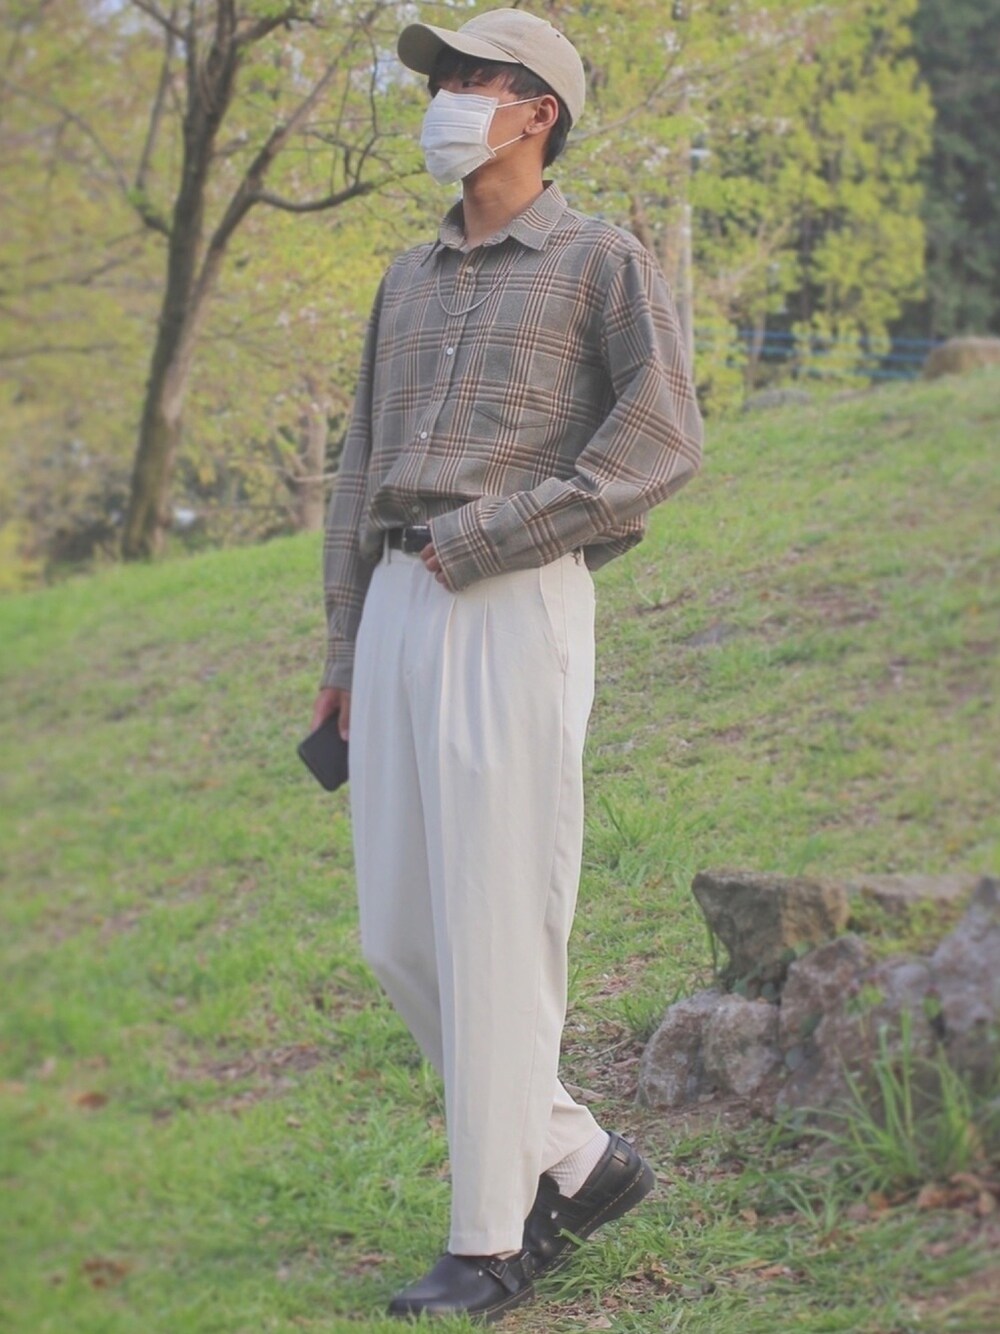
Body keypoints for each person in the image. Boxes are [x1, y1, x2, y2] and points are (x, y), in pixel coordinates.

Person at [311, 8, 704, 1323]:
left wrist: (499, 532)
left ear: (539, 112)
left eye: (473, 78)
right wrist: (343, 643)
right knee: (398, 932)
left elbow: (662, 439)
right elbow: (357, 465)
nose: (446, 98)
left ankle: (490, 1238)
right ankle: (579, 1157)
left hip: (511, 598)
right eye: (444, 79)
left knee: (493, 923)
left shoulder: (600, 260)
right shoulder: (407, 278)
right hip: (398, 602)